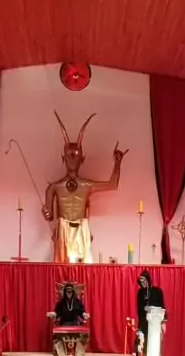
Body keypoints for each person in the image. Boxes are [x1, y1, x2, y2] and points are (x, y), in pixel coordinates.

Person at [42, 112, 128, 264]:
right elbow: (49, 216)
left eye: (76, 155)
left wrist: (117, 163)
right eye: (69, 155)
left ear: (82, 159)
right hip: (62, 229)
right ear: (63, 158)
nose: (72, 159)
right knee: (62, 266)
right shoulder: (54, 187)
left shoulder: (86, 185)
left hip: (82, 228)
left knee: (84, 268)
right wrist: (46, 213)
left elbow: (112, 184)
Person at [49, 283, 90, 356]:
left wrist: (84, 314)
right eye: (67, 291)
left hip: (74, 322)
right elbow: (57, 312)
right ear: (65, 292)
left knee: (81, 336)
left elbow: (81, 311)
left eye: (70, 292)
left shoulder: (78, 302)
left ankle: (76, 355)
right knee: (59, 336)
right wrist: (54, 314)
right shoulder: (61, 302)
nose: (69, 293)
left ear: (73, 292)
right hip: (64, 322)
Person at [136, 269, 166, 356]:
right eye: (141, 281)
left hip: (155, 322)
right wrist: (139, 324)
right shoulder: (140, 292)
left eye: (144, 280)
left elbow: (162, 306)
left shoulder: (157, 291)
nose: (143, 283)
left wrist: (163, 322)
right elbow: (139, 308)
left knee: (154, 342)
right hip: (143, 322)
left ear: (148, 279)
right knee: (141, 341)